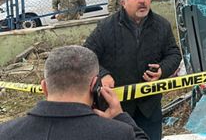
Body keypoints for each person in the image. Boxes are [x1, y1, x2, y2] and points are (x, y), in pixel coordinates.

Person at [85, 0, 181, 140]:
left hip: (149, 106)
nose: (142, 1)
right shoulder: (106, 27)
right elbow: (87, 55)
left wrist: (162, 70)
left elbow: (174, 54)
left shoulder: (161, 25)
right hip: (115, 107)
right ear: (123, 2)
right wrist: (103, 74)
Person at [0, 45, 149, 140]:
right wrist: (121, 117)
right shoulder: (118, 134)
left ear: (44, 87)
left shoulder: (5, 133)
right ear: (94, 85)